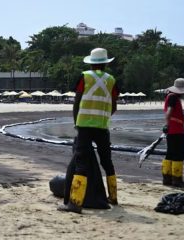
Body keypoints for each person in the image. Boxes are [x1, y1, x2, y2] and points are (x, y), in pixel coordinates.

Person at [58, 48, 119, 214]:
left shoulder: (85, 77)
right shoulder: (112, 80)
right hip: (102, 126)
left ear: (91, 63)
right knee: (107, 162)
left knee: (81, 163)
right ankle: (113, 197)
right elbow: (113, 106)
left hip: (85, 125)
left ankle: (75, 203)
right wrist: (104, 117)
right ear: (106, 63)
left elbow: (77, 102)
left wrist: (76, 122)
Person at [162, 78, 184, 188]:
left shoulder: (170, 96)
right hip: (176, 131)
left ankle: (167, 178)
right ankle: (177, 179)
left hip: (172, 130)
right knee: (179, 154)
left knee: (170, 154)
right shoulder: (173, 97)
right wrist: (167, 125)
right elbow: (169, 112)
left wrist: (167, 126)